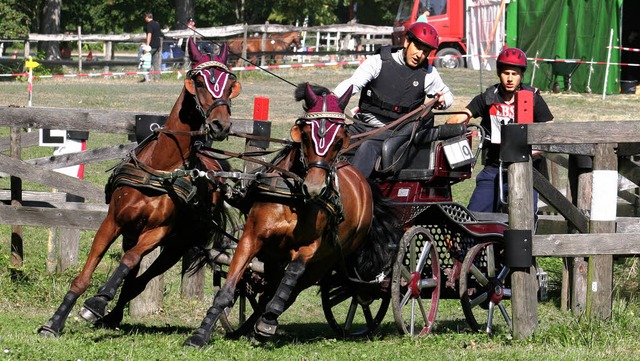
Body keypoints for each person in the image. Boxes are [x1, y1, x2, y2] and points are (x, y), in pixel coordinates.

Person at [333, 22, 453, 179]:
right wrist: (332, 100)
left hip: (395, 134)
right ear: (406, 42)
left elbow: (448, 96)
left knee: (368, 148)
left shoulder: (429, 73)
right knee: (331, 143)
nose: (420, 55)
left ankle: (350, 196)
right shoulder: (377, 62)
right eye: (417, 48)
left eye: (425, 52)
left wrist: (443, 100)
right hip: (362, 127)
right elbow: (352, 84)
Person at [446, 47, 554, 213]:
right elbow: (463, 115)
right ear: (498, 73)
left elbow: (550, 130)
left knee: (525, 218)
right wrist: (452, 124)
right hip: (494, 168)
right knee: (474, 217)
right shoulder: (488, 97)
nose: (510, 79)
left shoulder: (533, 98)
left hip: (527, 168)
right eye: (506, 73)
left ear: (522, 76)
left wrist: (531, 150)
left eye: (515, 74)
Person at [144, 12, 162, 81]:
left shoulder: (149, 24)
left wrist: (147, 45)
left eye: (145, 17)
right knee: (155, 63)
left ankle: (147, 78)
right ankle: (157, 78)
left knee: (147, 61)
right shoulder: (157, 24)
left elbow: (149, 35)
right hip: (157, 45)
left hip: (151, 45)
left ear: (147, 17)